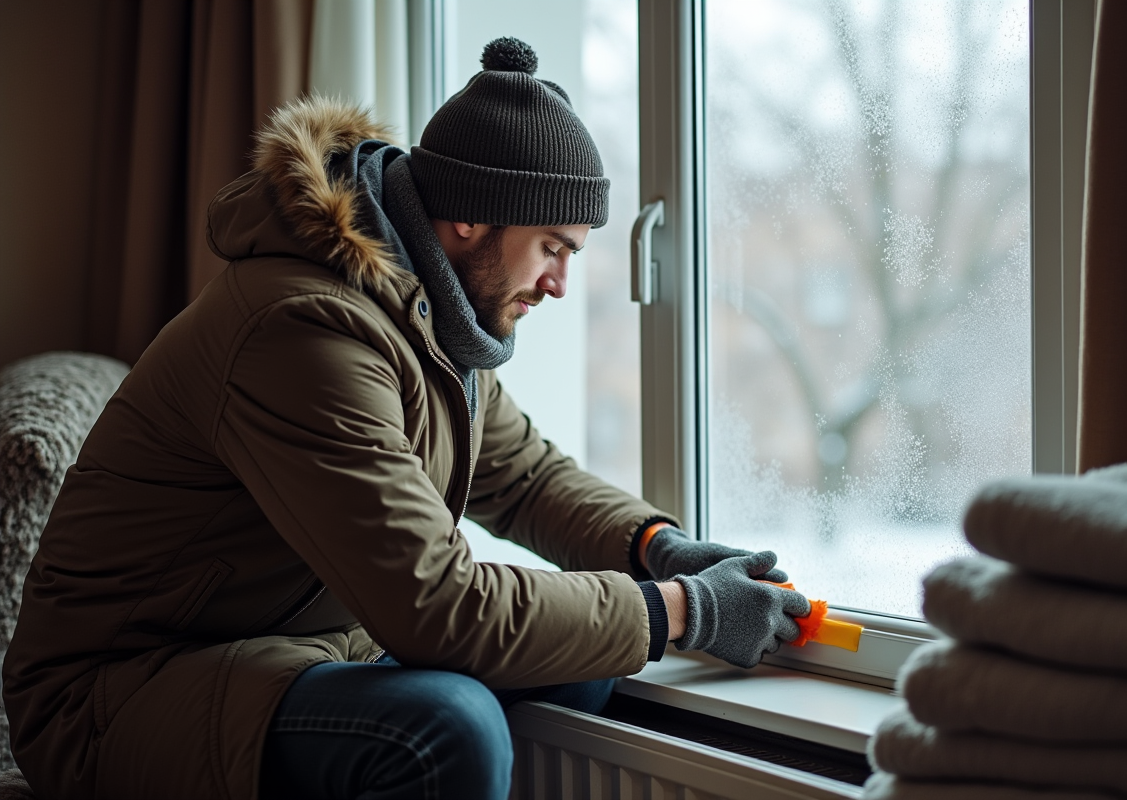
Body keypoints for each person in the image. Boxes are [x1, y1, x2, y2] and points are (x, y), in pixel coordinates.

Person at [2, 38, 809, 800]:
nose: (560, 283)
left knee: (582, 662)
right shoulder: (304, 330)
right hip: (117, 692)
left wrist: (656, 546)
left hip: (290, 645)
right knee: (444, 732)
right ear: (470, 218)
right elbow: (438, 607)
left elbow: (523, 478)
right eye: (553, 247)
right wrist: (683, 609)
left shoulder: (427, 313)